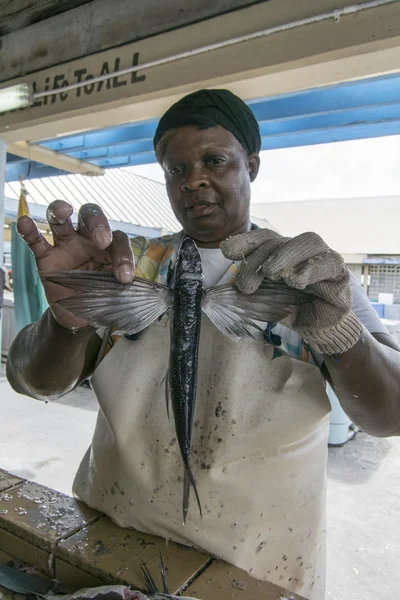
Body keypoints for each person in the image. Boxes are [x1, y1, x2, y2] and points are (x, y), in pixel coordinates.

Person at [7, 89, 400, 600]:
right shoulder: (129, 269)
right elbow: (33, 379)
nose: (194, 180)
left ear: (251, 165)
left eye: (214, 160)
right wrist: (66, 321)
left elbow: (390, 414)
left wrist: (339, 334)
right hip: (114, 543)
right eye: (176, 169)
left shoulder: (306, 275)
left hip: (255, 568)